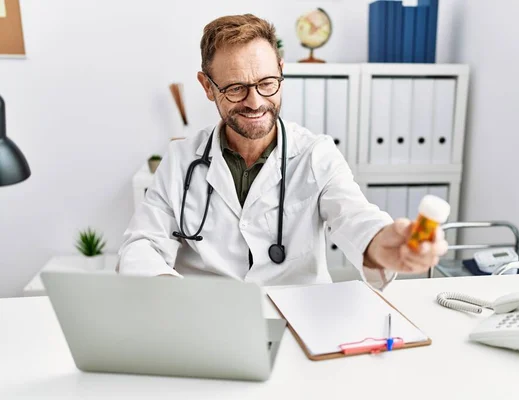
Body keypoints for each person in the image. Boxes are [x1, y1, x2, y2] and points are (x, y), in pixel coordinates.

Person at [117, 14, 448, 290]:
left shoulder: (316, 154)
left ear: (281, 71)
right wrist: (169, 291)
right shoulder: (180, 161)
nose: (256, 101)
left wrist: (382, 244)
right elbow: (141, 244)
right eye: (235, 88)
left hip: (298, 321)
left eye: (267, 83)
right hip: (205, 321)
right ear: (207, 86)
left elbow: (355, 218)